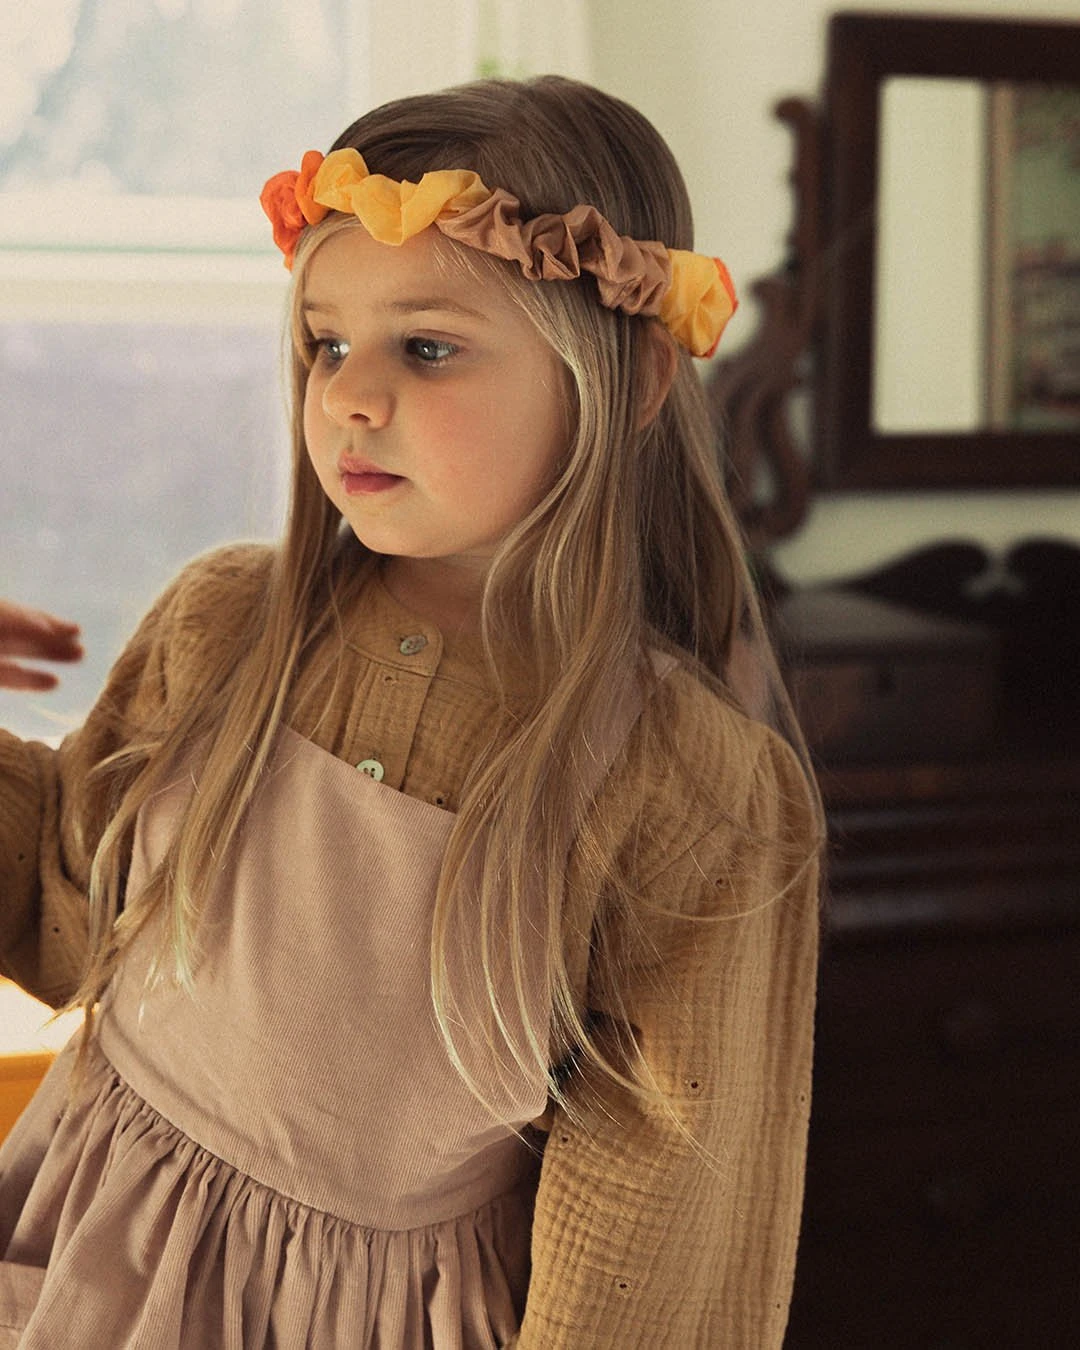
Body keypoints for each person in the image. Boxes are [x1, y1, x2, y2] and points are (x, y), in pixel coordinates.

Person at [0, 75, 822, 1349]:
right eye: (327, 343)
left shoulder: (688, 783)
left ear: (633, 378)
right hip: (81, 1272)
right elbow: (61, 915)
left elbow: (658, 1238)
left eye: (425, 348)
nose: (347, 396)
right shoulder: (223, 626)